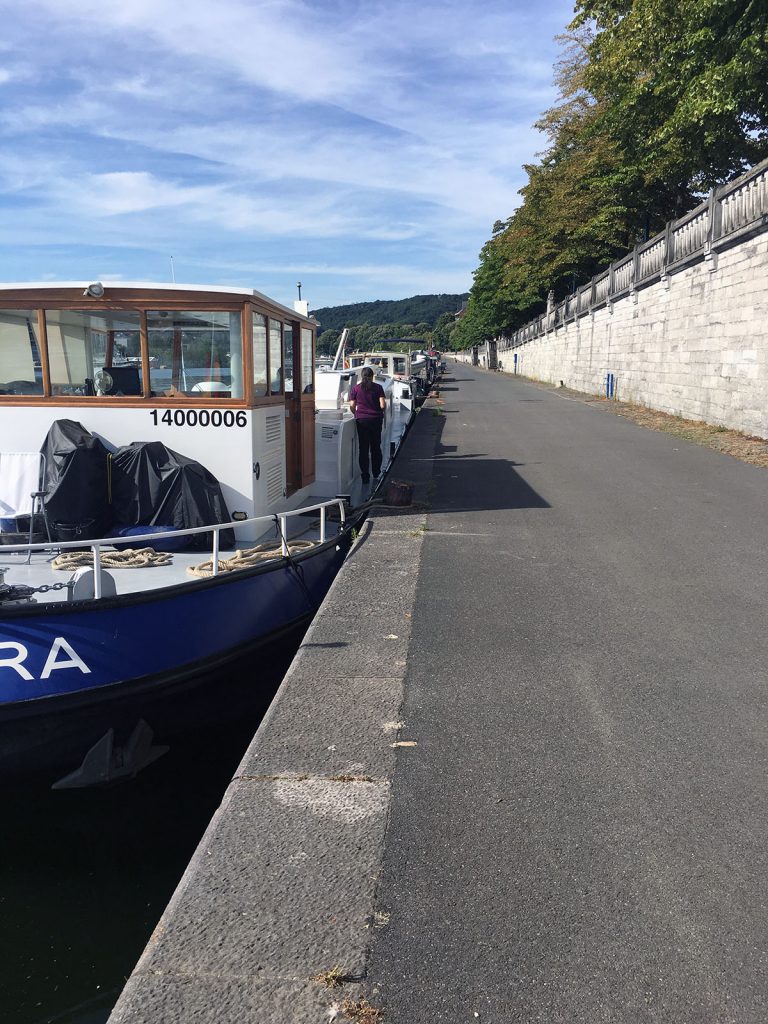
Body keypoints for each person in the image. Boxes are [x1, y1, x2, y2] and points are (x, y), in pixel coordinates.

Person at [348, 366, 386, 485]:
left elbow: (352, 406)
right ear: (372, 376)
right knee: (376, 447)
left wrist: (357, 413)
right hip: (376, 420)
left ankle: (365, 476)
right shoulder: (378, 388)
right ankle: (376, 472)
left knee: (363, 449)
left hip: (362, 421)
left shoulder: (355, 389)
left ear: (361, 376)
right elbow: (382, 405)